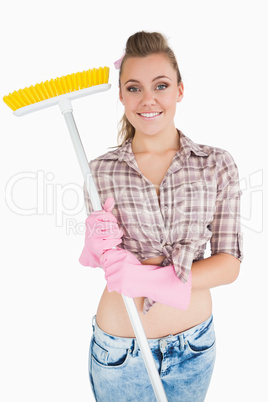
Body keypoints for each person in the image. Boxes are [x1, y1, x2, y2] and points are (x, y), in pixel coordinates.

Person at [79, 31, 243, 402]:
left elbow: (229, 265)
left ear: (179, 91)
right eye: (134, 88)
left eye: (161, 85)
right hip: (121, 350)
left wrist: (158, 282)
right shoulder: (99, 172)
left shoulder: (216, 164)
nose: (148, 99)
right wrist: (96, 248)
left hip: (194, 347)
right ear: (120, 95)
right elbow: (110, 260)